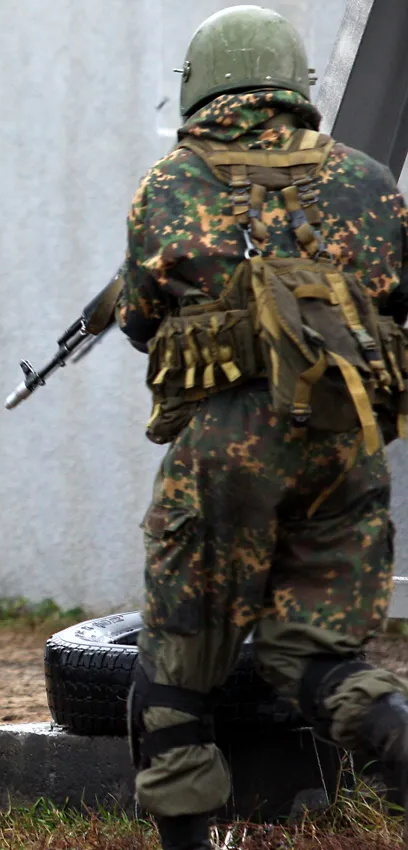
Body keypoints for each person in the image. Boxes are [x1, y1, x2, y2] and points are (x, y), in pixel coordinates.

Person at [115, 6, 408, 848]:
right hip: (346, 439)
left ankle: (185, 842)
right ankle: (396, 733)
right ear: (297, 83)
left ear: (200, 81)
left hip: (228, 444)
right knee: (318, 653)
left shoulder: (170, 183)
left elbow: (140, 320)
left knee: (180, 659)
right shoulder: (366, 180)